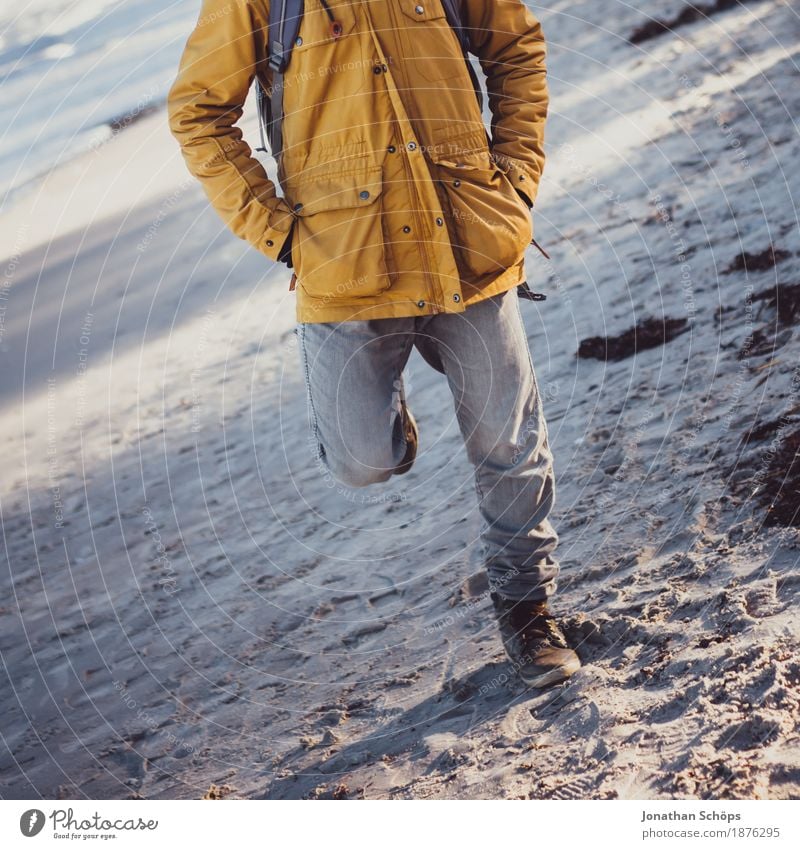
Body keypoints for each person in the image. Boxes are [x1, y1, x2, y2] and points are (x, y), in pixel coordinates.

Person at [168, 0, 580, 688]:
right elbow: (196, 112)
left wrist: (514, 180)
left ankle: (528, 609)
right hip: (347, 264)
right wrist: (278, 232)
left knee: (507, 440)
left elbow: (516, 51)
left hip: (466, 241)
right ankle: (387, 409)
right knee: (361, 458)